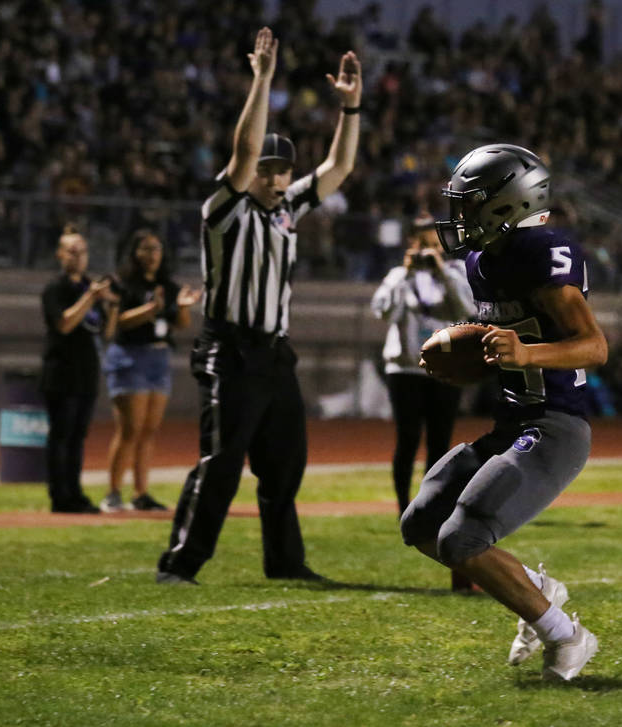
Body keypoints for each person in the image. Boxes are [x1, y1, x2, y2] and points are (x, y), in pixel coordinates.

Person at [156, 28, 362, 584]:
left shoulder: (287, 208)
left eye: (281, 170)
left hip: (274, 353)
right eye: (266, 171)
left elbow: (339, 169)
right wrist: (264, 79)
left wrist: (351, 107)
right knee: (221, 463)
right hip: (230, 350)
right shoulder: (224, 210)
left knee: (284, 466)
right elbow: (244, 151)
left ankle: (286, 563)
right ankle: (181, 563)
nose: (273, 178)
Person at [400, 143, 609, 681]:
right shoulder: (481, 259)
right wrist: (473, 353)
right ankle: (538, 593)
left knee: (462, 538)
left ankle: (567, 635)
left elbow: (594, 346)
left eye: (470, 204)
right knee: (422, 522)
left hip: (556, 424)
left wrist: (526, 353)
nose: (460, 216)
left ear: (506, 204)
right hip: (512, 423)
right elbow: (502, 338)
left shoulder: (543, 250)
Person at [371, 215, 475, 516]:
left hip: (445, 367)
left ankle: (431, 505)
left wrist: (442, 272)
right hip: (405, 369)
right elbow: (383, 312)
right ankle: (404, 505)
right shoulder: (397, 276)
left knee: (440, 441)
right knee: (407, 439)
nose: (428, 251)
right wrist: (405, 272)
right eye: (422, 244)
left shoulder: (454, 272)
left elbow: (466, 311)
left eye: (434, 245)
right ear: (410, 245)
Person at [100, 229, 202, 512]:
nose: (152, 255)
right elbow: (119, 322)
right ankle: (113, 492)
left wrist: (182, 308)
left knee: (148, 431)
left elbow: (179, 324)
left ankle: (141, 493)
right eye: (145, 249)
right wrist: (148, 309)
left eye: (156, 249)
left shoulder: (167, 286)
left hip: (158, 357)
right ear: (134, 253)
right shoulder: (122, 284)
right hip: (130, 357)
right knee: (129, 429)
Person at [39, 224, 119, 513]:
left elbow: (106, 333)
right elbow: (64, 323)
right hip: (61, 374)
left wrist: (113, 307)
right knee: (61, 437)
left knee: (77, 438)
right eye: (72, 251)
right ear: (60, 255)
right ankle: (60, 497)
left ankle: (75, 493)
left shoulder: (89, 287)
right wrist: (91, 298)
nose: (78, 257)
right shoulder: (56, 289)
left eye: (82, 251)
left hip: (86, 372)